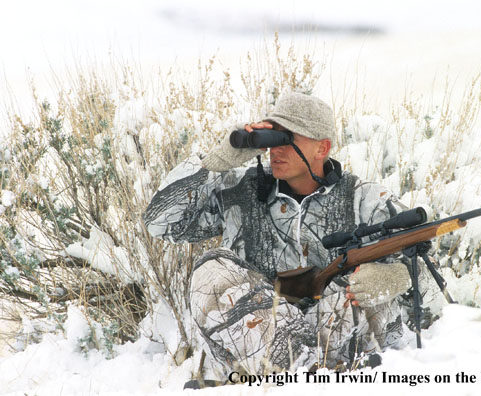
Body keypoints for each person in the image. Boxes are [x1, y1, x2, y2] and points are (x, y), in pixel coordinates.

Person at [143, 92, 415, 388]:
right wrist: (214, 162)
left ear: (322, 148)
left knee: (365, 289)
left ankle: (298, 377)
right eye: (273, 139)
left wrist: (401, 276)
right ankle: (297, 375)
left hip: (337, 340)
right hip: (260, 346)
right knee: (210, 269)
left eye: (288, 140)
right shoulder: (240, 190)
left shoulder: (365, 198)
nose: (276, 150)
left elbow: (428, 274)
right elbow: (159, 223)